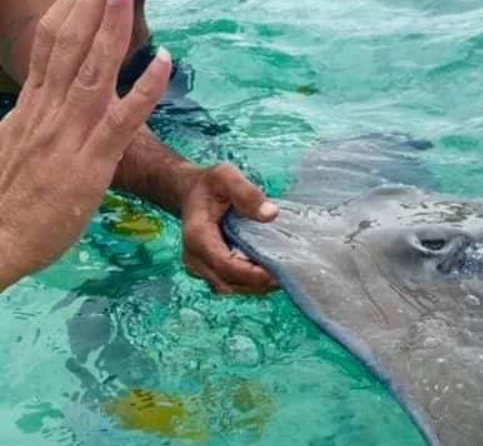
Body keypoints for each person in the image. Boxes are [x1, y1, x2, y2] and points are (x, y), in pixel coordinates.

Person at [0, 0, 280, 295]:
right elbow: (73, 99)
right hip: (35, 113)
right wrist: (183, 183)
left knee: (245, 198)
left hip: (148, 74)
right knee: (134, 274)